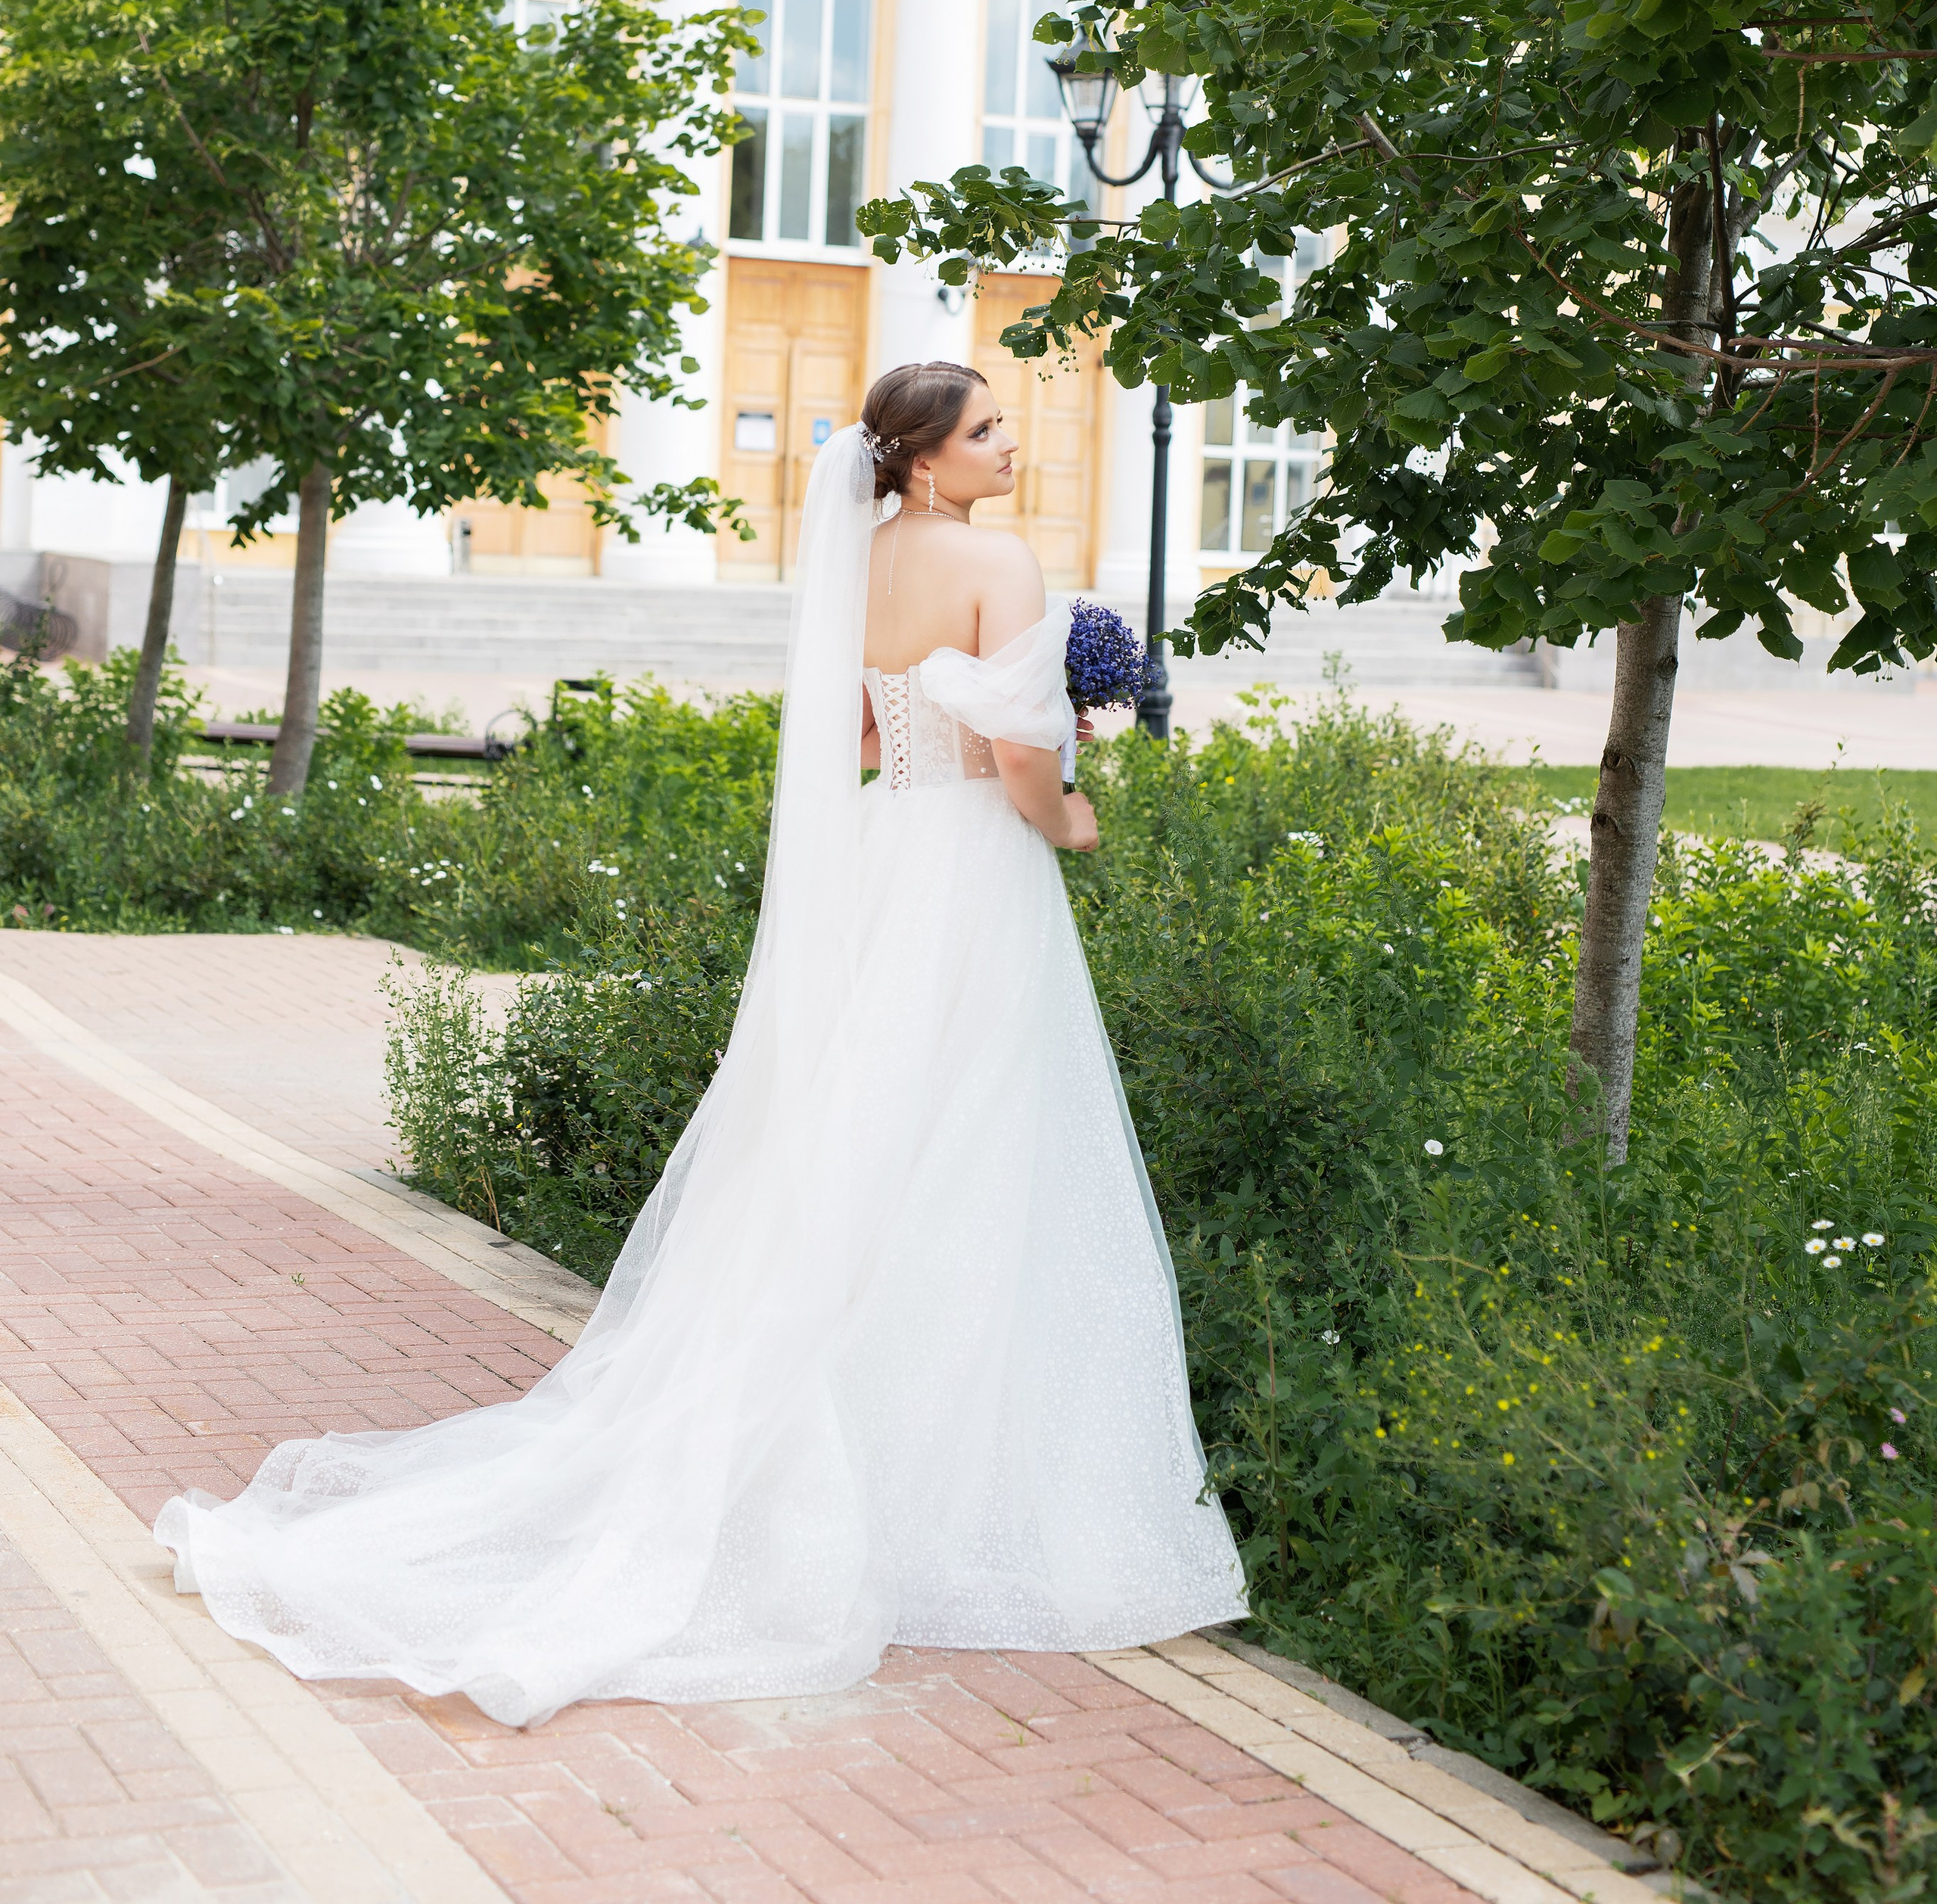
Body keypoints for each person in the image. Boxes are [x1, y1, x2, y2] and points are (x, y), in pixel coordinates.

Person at [155, 361, 1245, 1725]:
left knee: (851, 1138)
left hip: (887, 846)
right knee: (972, 1143)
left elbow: (856, 724)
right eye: (985, 431)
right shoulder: (998, 562)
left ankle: (834, 1420)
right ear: (919, 457)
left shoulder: (868, 559)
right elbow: (1027, 766)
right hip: (969, 870)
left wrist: (941, 731)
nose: (1011, 446)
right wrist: (1072, 815)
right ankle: (945, 1477)